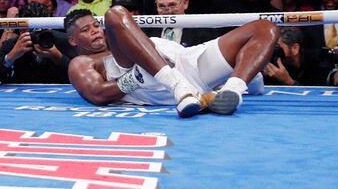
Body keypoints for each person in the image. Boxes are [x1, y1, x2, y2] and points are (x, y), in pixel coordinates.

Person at [67, 6, 278, 117]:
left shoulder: (127, 39)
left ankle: (231, 90)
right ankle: (179, 87)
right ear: (73, 40)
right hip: (146, 76)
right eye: (86, 30)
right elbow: (97, 93)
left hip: (188, 63)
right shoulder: (82, 62)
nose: (95, 31)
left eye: (95, 26)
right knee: (115, 13)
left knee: (265, 28)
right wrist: (136, 77)